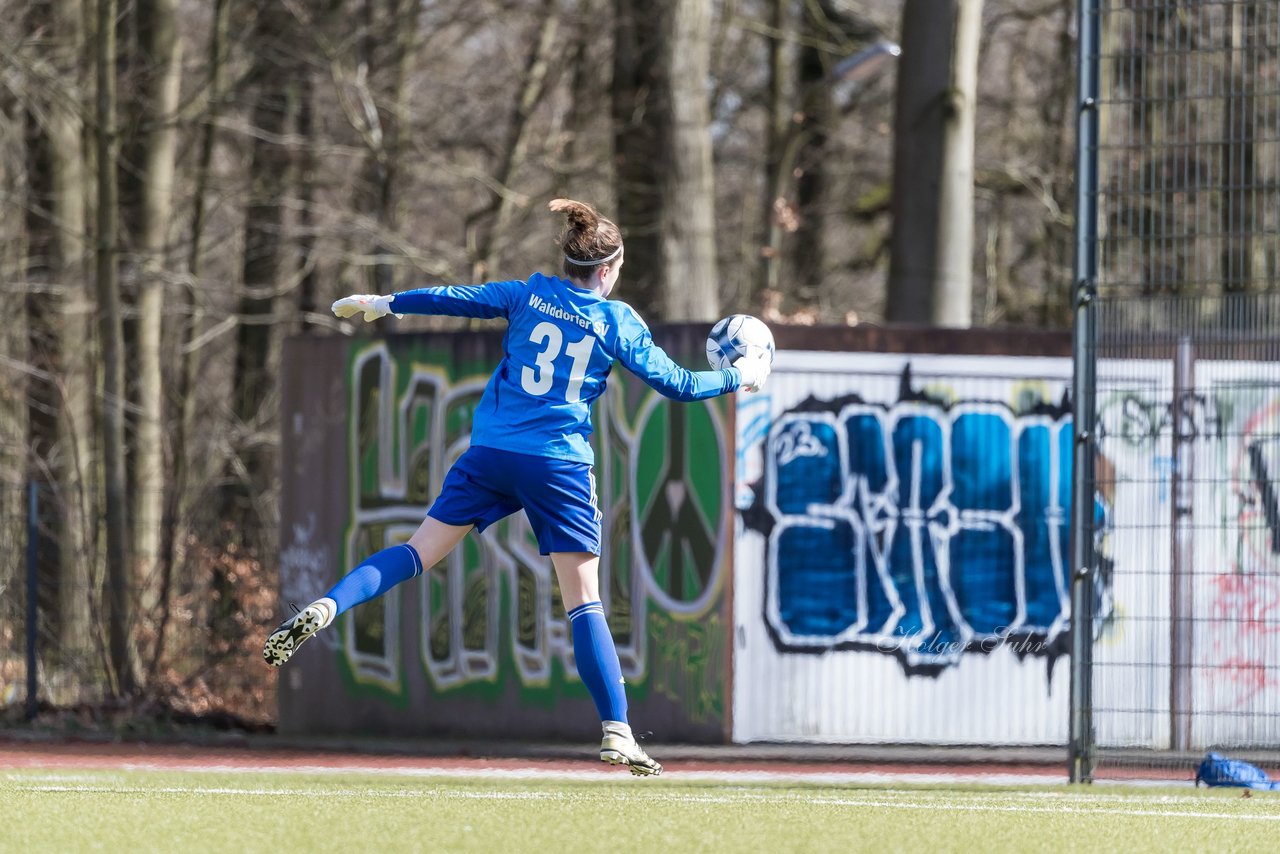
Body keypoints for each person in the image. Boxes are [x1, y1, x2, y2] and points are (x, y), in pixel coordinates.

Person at [263, 199, 771, 776]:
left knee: (415, 553)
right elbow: (677, 384)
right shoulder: (616, 321)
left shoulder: (530, 293)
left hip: (492, 454)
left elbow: (457, 299)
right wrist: (739, 376)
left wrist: (385, 303)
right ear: (607, 270)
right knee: (584, 602)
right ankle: (617, 730)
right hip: (558, 467)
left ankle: (330, 604)